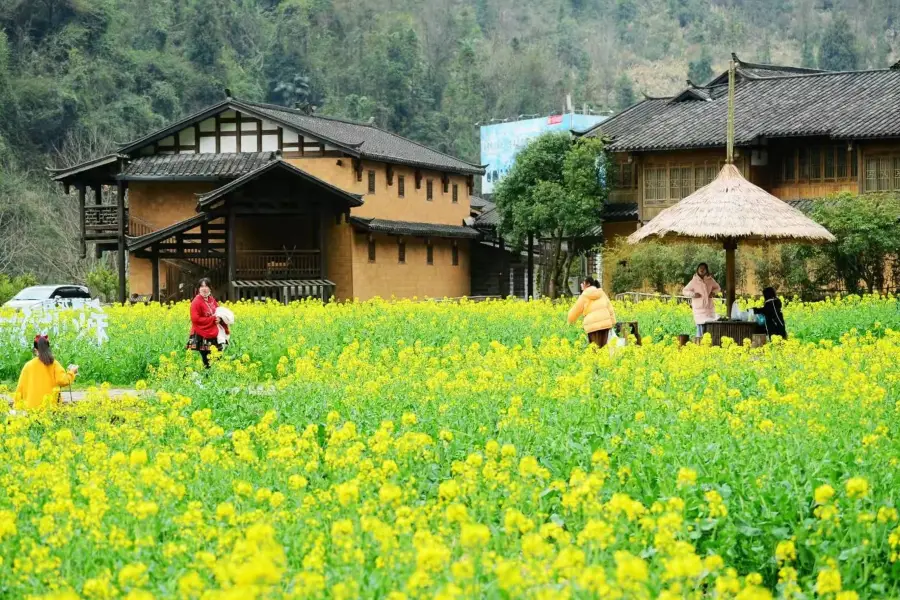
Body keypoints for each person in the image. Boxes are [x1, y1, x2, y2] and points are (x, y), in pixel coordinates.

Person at [15, 334, 78, 409]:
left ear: (35, 350)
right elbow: (63, 381)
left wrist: (16, 406)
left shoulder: (28, 366)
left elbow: (20, 389)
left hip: (31, 410)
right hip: (49, 409)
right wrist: (72, 372)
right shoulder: (54, 364)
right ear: (48, 348)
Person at [567, 277, 617, 348]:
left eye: (583, 283)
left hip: (592, 327)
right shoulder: (602, 293)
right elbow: (610, 308)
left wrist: (570, 322)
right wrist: (613, 322)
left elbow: (574, 312)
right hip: (606, 325)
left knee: (594, 349)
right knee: (604, 348)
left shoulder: (584, 296)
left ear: (588, 284)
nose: (581, 284)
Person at [187, 278, 225, 368]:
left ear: (210, 288)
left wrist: (220, 319)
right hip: (202, 333)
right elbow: (195, 319)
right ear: (198, 289)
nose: (204, 288)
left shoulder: (212, 300)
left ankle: (215, 377)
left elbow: (218, 312)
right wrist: (212, 319)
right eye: (202, 286)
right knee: (207, 360)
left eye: (206, 286)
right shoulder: (196, 301)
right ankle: (207, 378)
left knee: (218, 356)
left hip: (212, 333)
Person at [683, 263, 721, 338]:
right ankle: (699, 347)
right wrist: (693, 294)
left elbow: (718, 288)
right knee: (700, 331)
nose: (702, 270)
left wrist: (713, 293)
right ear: (697, 269)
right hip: (699, 310)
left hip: (709, 309)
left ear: (706, 270)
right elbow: (684, 291)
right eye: (700, 268)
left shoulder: (710, 280)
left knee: (710, 330)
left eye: (704, 268)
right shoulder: (694, 281)